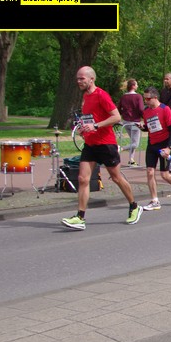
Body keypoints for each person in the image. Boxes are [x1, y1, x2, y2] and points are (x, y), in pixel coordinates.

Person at [61, 66, 141, 230]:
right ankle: (80, 217)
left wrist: (96, 126)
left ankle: (134, 206)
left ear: (91, 79)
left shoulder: (101, 95)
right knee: (83, 179)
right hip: (90, 144)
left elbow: (116, 117)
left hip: (106, 144)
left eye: (82, 78)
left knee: (116, 178)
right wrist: (84, 128)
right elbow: (89, 118)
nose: (78, 81)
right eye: (77, 78)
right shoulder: (85, 96)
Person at [139, 86, 171, 210]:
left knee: (164, 175)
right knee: (150, 172)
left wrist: (169, 147)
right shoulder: (146, 111)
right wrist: (142, 127)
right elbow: (150, 127)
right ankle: (155, 200)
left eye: (148, 99)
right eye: (144, 99)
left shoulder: (165, 109)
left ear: (155, 98)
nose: (146, 101)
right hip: (152, 145)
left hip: (164, 145)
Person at [117, 79, 144, 167]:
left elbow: (119, 108)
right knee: (135, 144)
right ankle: (121, 148)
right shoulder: (138, 96)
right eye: (136, 84)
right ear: (133, 86)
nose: (137, 86)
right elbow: (141, 109)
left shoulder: (123, 97)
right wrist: (144, 117)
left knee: (133, 141)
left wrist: (121, 116)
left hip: (125, 121)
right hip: (135, 121)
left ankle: (131, 160)